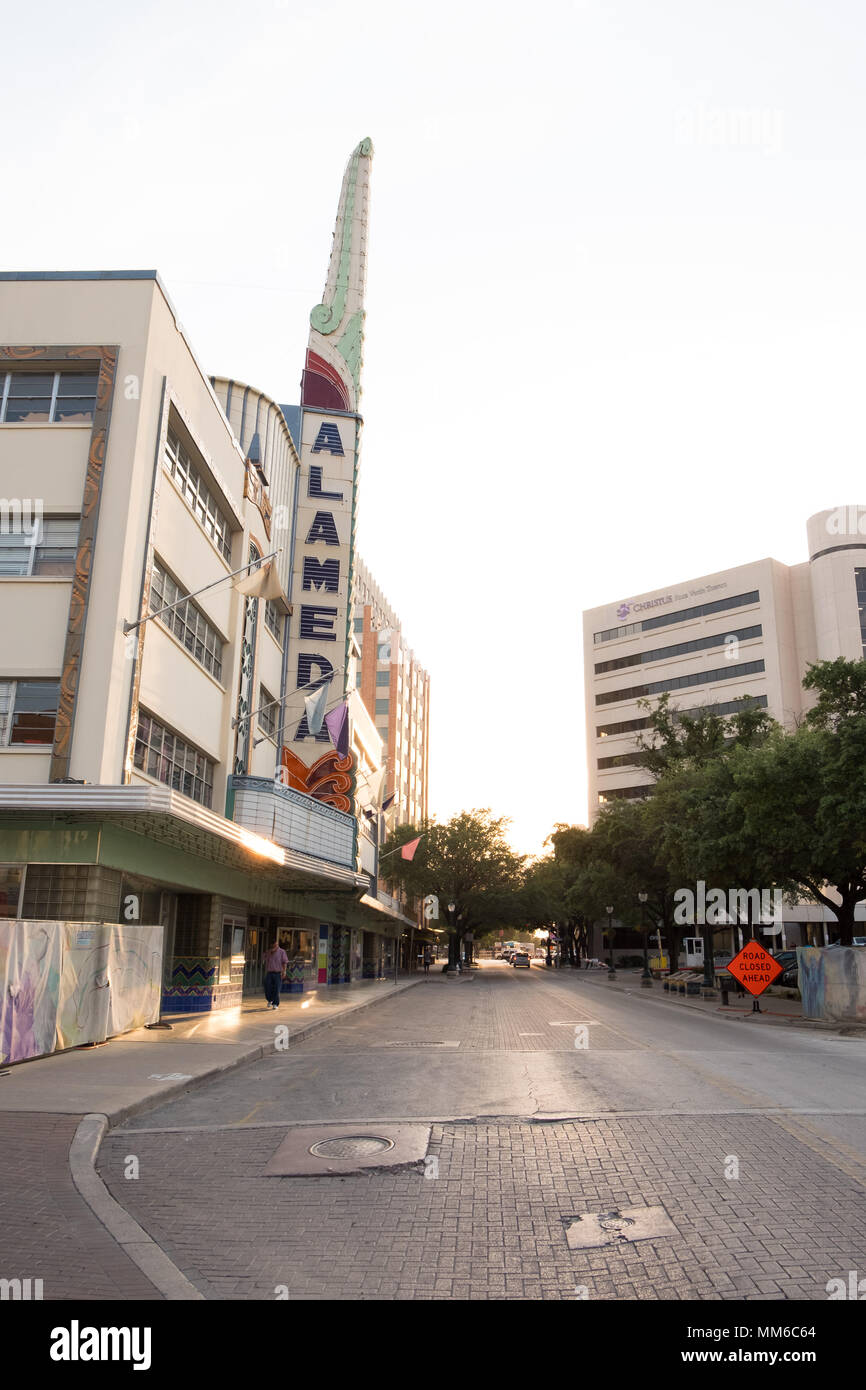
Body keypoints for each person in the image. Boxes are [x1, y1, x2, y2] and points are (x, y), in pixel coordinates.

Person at [263, 939, 288, 1010]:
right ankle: (270, 999)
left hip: (278, 973)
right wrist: (269, 952)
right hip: (269, 973)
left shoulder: (282, 952)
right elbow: (264, 958)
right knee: (267, 987)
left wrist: (284, 971)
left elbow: (284, 962)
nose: (275, 946)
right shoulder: (268, 952)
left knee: (277, 988)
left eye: (276, 945)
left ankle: (275, 1003)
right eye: (273, 945)